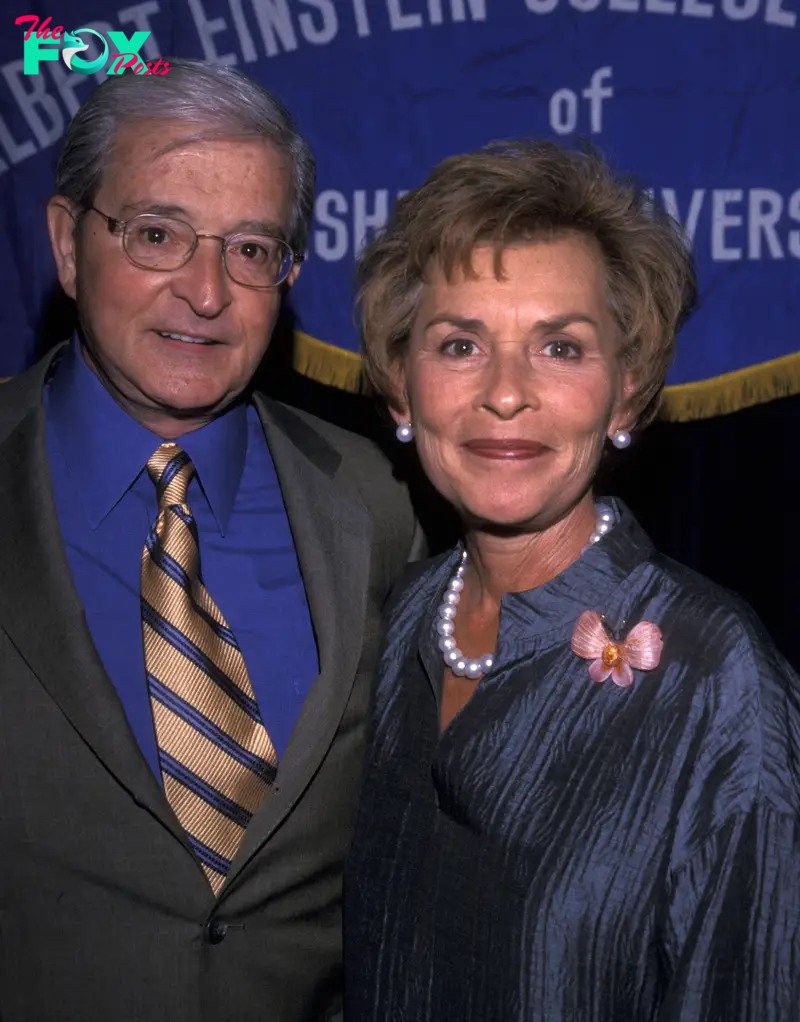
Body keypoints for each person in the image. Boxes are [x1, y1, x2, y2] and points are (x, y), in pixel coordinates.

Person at [0, 58, 421, 1022]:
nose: (206, 293)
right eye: (157, 235)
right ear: (68, 245)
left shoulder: (380, 506)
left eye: (250, 250)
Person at [343, 139, 800, 1020]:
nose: (506, 393)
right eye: (460, 343)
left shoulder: (719, 679)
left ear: (626, 391)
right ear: (402, 386)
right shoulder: (405, 617)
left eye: (559, 347)